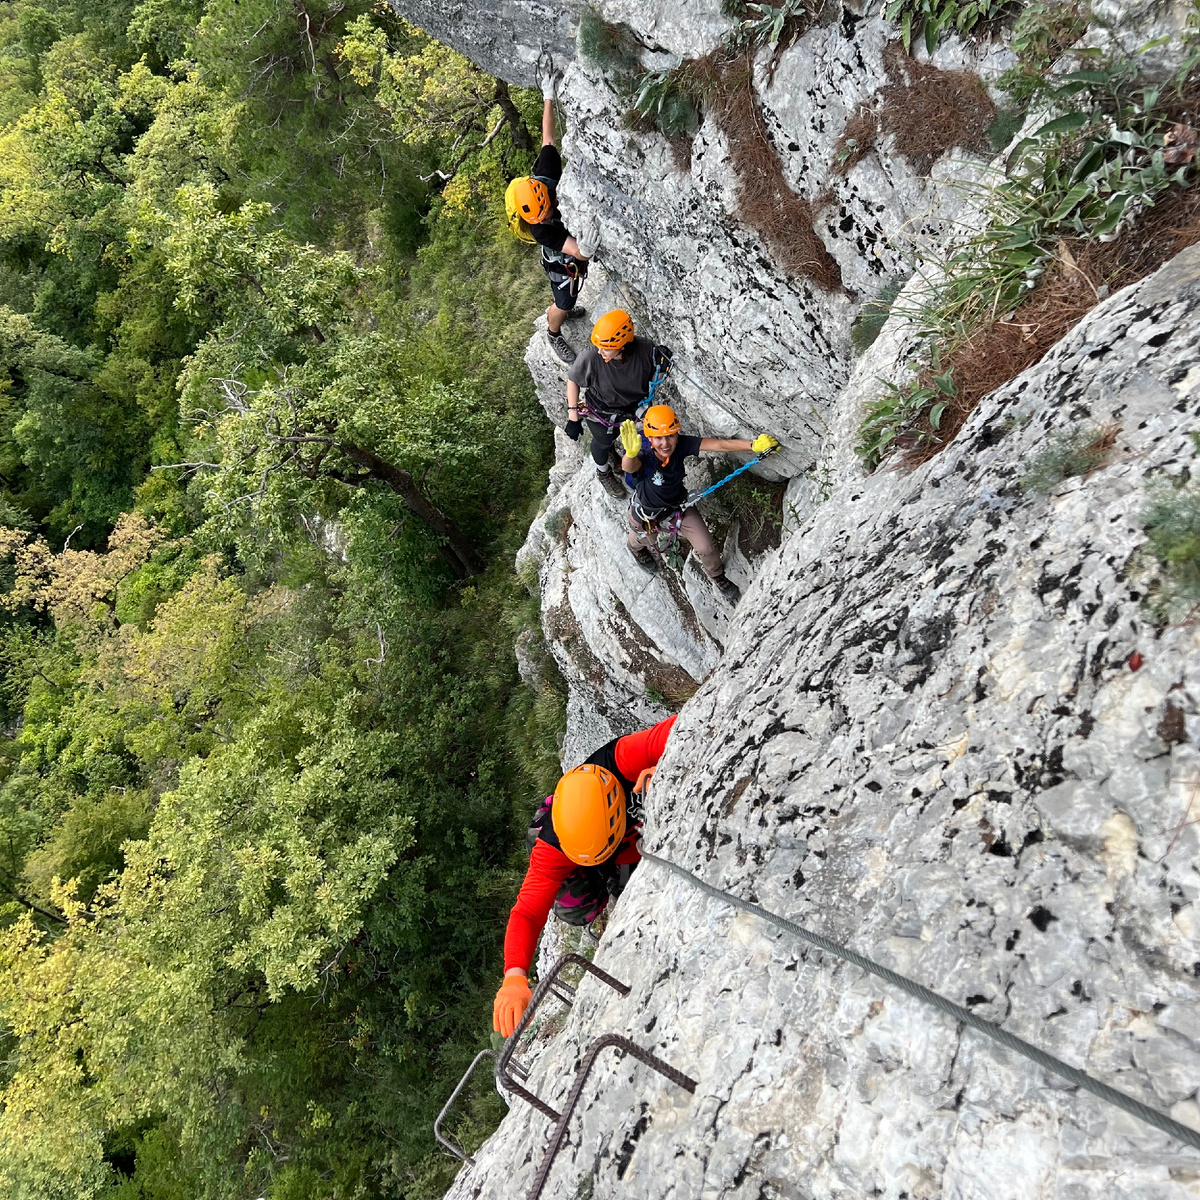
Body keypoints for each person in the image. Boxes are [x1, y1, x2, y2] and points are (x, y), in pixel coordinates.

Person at [492, 715, 677, 1038]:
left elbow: (686, 725)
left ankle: (619, 866)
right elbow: (527, 911)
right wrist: (514, 976)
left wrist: (672, 763)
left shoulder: (622, 760)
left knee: (625, 863)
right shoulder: (555, 843)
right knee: (576, 908)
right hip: (590, 842)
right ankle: (608, 878)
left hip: (625, 838)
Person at [620, 405, 779, 605]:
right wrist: (630, 454)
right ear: (650, 439)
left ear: (677, 434)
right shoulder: (645, 456)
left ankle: (717, 576)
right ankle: (635, 548)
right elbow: (630, 467)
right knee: (646, 540)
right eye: (659, 438)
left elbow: (719, 445)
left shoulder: (682, 445)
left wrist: (753, 445)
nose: (665, 443)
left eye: (670, 436)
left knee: (706, 547)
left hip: (677, 508)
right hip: (647, 517)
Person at [505, 72, 590, 365]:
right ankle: (554, 331)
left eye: (548, 209)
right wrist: (587, 244)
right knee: (564, 300)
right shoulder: (540, 230)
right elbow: (577, 251)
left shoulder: (547, 170)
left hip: (567, 241)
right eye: (544, 215)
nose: (549, 214)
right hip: (559, 257)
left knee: (571, 297)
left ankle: (565, 310)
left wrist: (548, 96)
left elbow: (548, 136)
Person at [564, 310, 671, 499]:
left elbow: (656, 364)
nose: (599, 350)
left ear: (621, 345)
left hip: (632, 409)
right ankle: (603, 472)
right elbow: (573, 381)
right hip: (602, 411)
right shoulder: (591, 357)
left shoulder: (645, 349)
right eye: (598, 345)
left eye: (605, 347)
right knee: (603, 442)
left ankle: (621, 460)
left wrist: (661, 361)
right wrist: (573, 416)